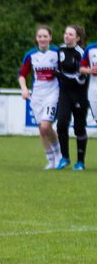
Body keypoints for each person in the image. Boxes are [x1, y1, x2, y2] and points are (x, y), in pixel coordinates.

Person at [19, 26, 62, 169]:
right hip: (37, 96)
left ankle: (58, 155)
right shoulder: (31, 55)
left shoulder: (57, 52)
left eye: (45, 36)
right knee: (41, 129)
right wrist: (24, 89)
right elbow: (22, 75)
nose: (42, 39)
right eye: (40, 36)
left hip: (53, 93)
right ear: (36, 38)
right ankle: (50, 160)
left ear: (50, 37)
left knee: (46, 125)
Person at [56, 24, 88, 170]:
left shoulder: (81, 53)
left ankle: (80, 161)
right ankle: (65, 158)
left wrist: (63, 77)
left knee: (79, 127)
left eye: (70, 34)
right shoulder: (60, 49)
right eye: (66, 33)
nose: (66, 36)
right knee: (61, 123)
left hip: (79, 93)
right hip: (64, 92)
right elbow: (58, 69)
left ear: (77, 38)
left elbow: (81, 78)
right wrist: (59, 75)